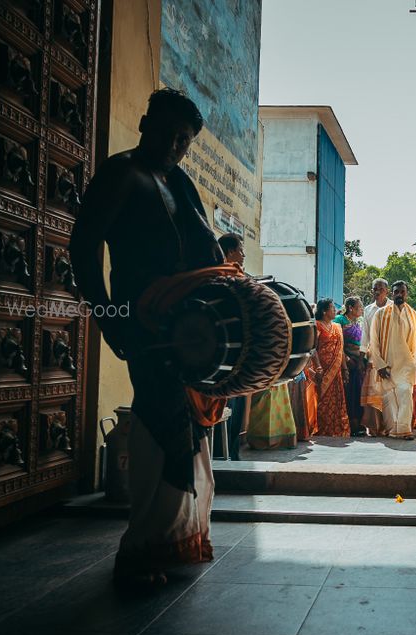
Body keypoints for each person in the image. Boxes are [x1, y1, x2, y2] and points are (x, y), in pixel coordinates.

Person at [70, 89, 223, 587]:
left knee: (191, 433)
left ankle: (172, 543)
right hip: (146, 326)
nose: (176, 145)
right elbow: (84, 248)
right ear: (143, 122)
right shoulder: (122, 174)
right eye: (169, 133)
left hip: (189, 331)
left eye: (185, 140)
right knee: (163, 425)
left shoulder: (180, 183)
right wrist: (110, 318)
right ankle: (138, 551)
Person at [366, 281, 416, 439]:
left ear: (406, 294)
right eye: (396, 292)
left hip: (407, 365)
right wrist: (379, 365)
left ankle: (404, 429)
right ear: (392, 293)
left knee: (405, 394)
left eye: (402, 292)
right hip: (387, 365)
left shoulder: (413, 315)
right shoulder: (381, 314)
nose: (399, 295)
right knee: (390, 399)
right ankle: (393, 430)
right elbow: (373, 342)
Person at [214, 233, 247, 460]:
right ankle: (221, 455)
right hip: (224, 358)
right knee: (225, 408)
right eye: (241, 250)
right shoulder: (219, 278)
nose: (244, 254)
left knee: (235, 410)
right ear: (230, 252)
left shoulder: (237, 277)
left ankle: (231, 454)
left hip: (238, 358)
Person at [313, 298, 350, 437]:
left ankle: (337, 430)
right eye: (332, 308)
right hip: (323, 371)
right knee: (323, 401)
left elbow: (341, 350)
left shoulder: (337, 327)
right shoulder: (317, 325)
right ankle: (322, 429)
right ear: (324, 311)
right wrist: (318, 368)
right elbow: (313, 349)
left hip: (336, 371)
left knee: (337, 401)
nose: (335, 310)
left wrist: (345, 369)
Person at [360, 278, 392, 435]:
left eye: (380, 288)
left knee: (388, 392)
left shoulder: (393, 307)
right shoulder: (368, 310)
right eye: (374, 289)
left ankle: (389, 426)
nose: (377, 291)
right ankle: (374, 428)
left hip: (390, 357)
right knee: (374, 392)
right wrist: (361, 356)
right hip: (373, 357)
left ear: (387, 291)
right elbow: (365, 333)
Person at [334, 296, 366, 436]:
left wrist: (360, 361)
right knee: (349, 395)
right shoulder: (339, 320)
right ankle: (350, 425)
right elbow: (336, 342)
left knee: (358, 393)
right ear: (350, 308)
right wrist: (346, 359)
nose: (361, 309)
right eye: (359, 307)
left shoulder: (358, 322)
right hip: (346, 363)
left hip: (358, 363)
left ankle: (359, 423)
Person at [245, 384, 297, 449]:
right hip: (265, 380)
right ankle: (260, 440)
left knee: (279, 404)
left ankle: (279, 440)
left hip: (276, 379)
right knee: (261, 404)